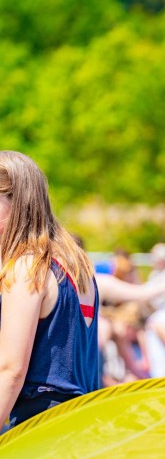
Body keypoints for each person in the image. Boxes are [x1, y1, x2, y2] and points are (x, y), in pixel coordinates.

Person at [0, 151, 99, 431]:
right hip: (82, 421)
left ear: (16, 202)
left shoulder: (27, 266)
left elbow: (11, 370)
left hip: (41, 426)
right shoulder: (74, 264)